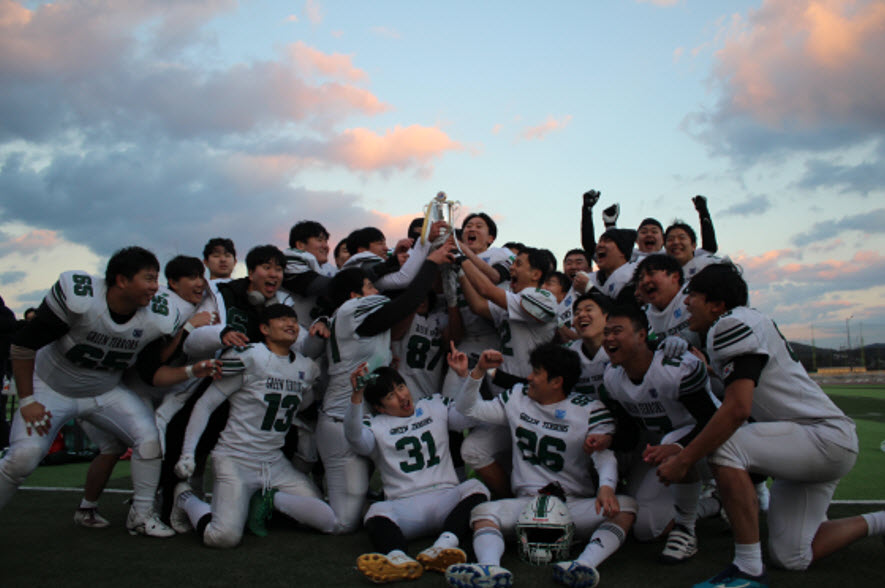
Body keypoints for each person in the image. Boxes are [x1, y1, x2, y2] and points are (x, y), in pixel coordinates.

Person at [657, 263, 885, 588]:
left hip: (821, 438)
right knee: (792, 556)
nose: (685, 304)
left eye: (692, 295)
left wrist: (684, 458)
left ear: (716, 303)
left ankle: (747, 568)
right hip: (810, 444)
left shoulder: (730, 323)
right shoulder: (744, 321)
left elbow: (737, 409)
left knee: (725, 444)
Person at [0, 246, 218, 536]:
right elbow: (22, 346)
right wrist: (26, 400)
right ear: (121, 280)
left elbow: (153, 368)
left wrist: (189, 345)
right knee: (22, 459)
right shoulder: (82, 298)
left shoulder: (157, 315)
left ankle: (141, 515)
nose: (156, 287)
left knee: (149, 441)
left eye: (156, 279)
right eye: (149, 279)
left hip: (105, 391)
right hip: (51, 388)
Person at [445, 343, 636, 588]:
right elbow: (467, 408)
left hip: (571, 504)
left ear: (556, 382)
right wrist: (478, 371)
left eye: (536, 372)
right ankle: (489, 567)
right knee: (482, 514)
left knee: (626, 507)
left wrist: (607, 486)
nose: (529, 377)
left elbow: (603, 453)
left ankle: (585, 565)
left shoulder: (589, 409)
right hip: (527, 503)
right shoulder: (517, 396)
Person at [170, 304, 339, 547]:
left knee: (325, 518)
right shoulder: (250, 356)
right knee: (223, 537)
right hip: (236, 457)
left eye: (293, 319)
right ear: (264, 329)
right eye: (281, 320)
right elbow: (205, 404)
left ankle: (267, 498)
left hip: (273, 461)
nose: (290, 324)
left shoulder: (305, 367)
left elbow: (300, 405)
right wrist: (188, 452)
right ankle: (185, 498)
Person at [318, 237, 457, 532]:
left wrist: (422, 246)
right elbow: (406, 302)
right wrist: (430, 262)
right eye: (370, 287)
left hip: (364, 417)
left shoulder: (350, 315)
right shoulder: (351, 311)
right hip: (342, 418)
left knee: (364, 496)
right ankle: (275, 497)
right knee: (343, 522)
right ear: (355, 295)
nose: (376, 290)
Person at [73, 254, 216, 528]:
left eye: (201, 276)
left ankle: (90, 507)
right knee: (148, 443)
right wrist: (187, 329)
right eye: (191, 277)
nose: (199, 283)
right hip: (131, 387)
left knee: (115, 447)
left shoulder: (196, 304)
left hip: (148, 386)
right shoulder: (166, 308)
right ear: (172, 283)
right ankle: (143, 511)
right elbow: (153, 366)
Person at [596, 305, 719, 563]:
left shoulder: (675, 368)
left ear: (642, 336)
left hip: (715, 447)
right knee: (645, 528)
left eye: (617, 331)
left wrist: (678, 447)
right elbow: (630, 431)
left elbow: (712, 420)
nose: (609, 338)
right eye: (606, 332)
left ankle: (686, 528)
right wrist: (608, 440)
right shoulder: (613, 377)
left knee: (670, 441)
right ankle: (714, 504)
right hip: (662, 449)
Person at [346, 362, 489, 583]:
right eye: (391, 396)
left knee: (475, 488)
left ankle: (443, 546)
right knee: (376, 510)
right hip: (405, 505)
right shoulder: (375, 424)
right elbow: (355, 439)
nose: (402, 397)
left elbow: (467, 417)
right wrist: (356, 396)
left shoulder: (434, 404)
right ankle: (397, 557)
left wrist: (465, 378)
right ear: (380, 407)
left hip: (445, 498)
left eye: (401, 387)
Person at [457, 246, 558, 497]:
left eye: (519, 264)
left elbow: (486, 290)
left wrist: (460, 259)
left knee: (533, 471)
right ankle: (507, 498)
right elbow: (480, 305)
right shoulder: (513, 300)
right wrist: (458, 272)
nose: (511, 268)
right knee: (473, 448)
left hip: (534, 400)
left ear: (536, 274)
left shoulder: (543, 298)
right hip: (507, 397)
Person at [563, 292, 612, 399]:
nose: (581, 315)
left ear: (607, 318)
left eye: (588, 310)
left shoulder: (623, 348)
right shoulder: (565, 354)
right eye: (577, 313)